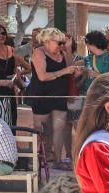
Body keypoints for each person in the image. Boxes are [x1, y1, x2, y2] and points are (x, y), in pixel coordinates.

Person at [29, 27, 79, 169]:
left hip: (59, 94)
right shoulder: (39, 53)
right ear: (47, 41)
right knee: (40, 129)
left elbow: (70, 68)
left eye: (63, 42)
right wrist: (64, 71)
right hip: (42, 94)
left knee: (59, 127)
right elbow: (42, 76)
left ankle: (58, 160)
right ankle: (35, 159)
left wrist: (68, 50)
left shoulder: (62, 52)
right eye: (59, 42)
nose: (61, 45)